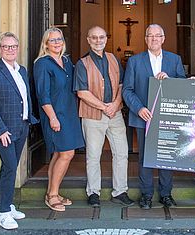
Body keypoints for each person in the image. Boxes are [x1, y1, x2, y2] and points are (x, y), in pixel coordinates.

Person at [122, 24, 186, 209]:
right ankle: (146, 195)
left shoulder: (174, 60)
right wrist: (139, 108)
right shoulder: (134, 61)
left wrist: (171, 81)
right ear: (145, 39)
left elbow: (183, 85)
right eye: (150, 36)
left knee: (166, 156)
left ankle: (166, 194)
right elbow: (127, 90)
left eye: (158, 36)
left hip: (167, 117)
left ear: (163, 39)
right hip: (144, 117)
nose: (154, 39)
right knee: (145, 157)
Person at [0, 32, 38, 229]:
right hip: (4, 131)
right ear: (0, 49)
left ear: (18, 48)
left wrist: (29, 120)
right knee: (10, 167)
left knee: (9, 168)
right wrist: (0, 130)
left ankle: (5, 206)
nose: (10, 49)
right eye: (6, 46)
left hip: (21, 126)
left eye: (13, 46)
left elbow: (24, 98)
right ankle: (4, 213)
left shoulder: (21, 70)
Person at [74, 26, 134, 207]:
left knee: (122, 153)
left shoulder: (113, 58)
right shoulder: (82, 63)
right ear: (88, 39)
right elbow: (82, 92)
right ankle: (93, 193)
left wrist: (115, 104)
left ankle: (120, 191)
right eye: (94, 37)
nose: (98, 40)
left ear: (106, 39)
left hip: (115, 114)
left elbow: (122, 84)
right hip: (93, 115)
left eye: (101, 37)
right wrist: (103, 107)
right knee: (93, 155)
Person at [33, 28, 85, 212]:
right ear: (45, 44)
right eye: (52, 40)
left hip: (69, 113)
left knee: (59, 154)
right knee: (66, 153)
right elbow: (42, 94)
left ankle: (52, 192)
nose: (56, 42)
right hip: (55, 115)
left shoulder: (66, 60)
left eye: (59, 39)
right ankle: (53, 195)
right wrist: (52, 117)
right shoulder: (42, 64)